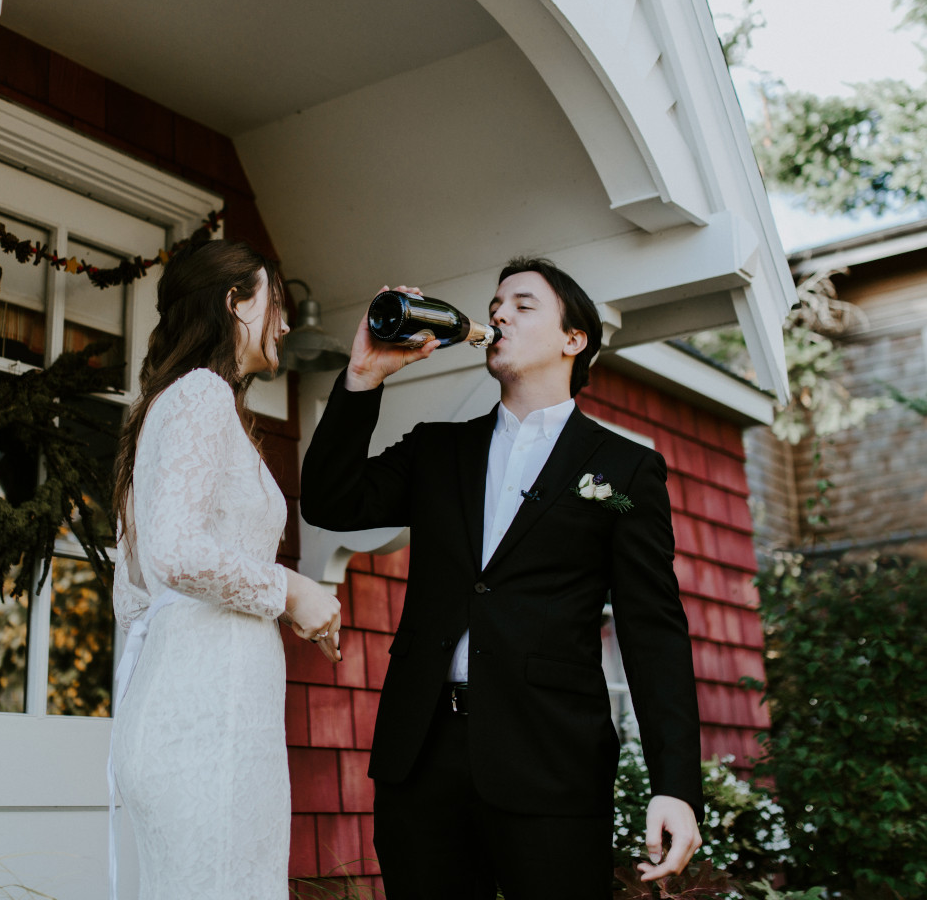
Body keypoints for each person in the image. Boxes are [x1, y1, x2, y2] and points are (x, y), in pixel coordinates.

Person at [300, 258, 703, 900]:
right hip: (421, 758)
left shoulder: (623, 472)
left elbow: (654, 631)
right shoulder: (437, 450)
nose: (498, 314)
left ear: (575, 340)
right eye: (495, 304)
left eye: (523, 304)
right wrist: (363, 377)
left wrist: (676, 785)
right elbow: (330, 500)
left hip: (552, 761)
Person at [109, 236, 342, 900]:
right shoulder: (202, 395)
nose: (288, 324)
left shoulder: (163, 408)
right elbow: (174, 552)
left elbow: (133, 595)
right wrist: (288, 590)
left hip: (188, 711)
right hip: (210, 728)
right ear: (236, 302)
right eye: (277, 303)